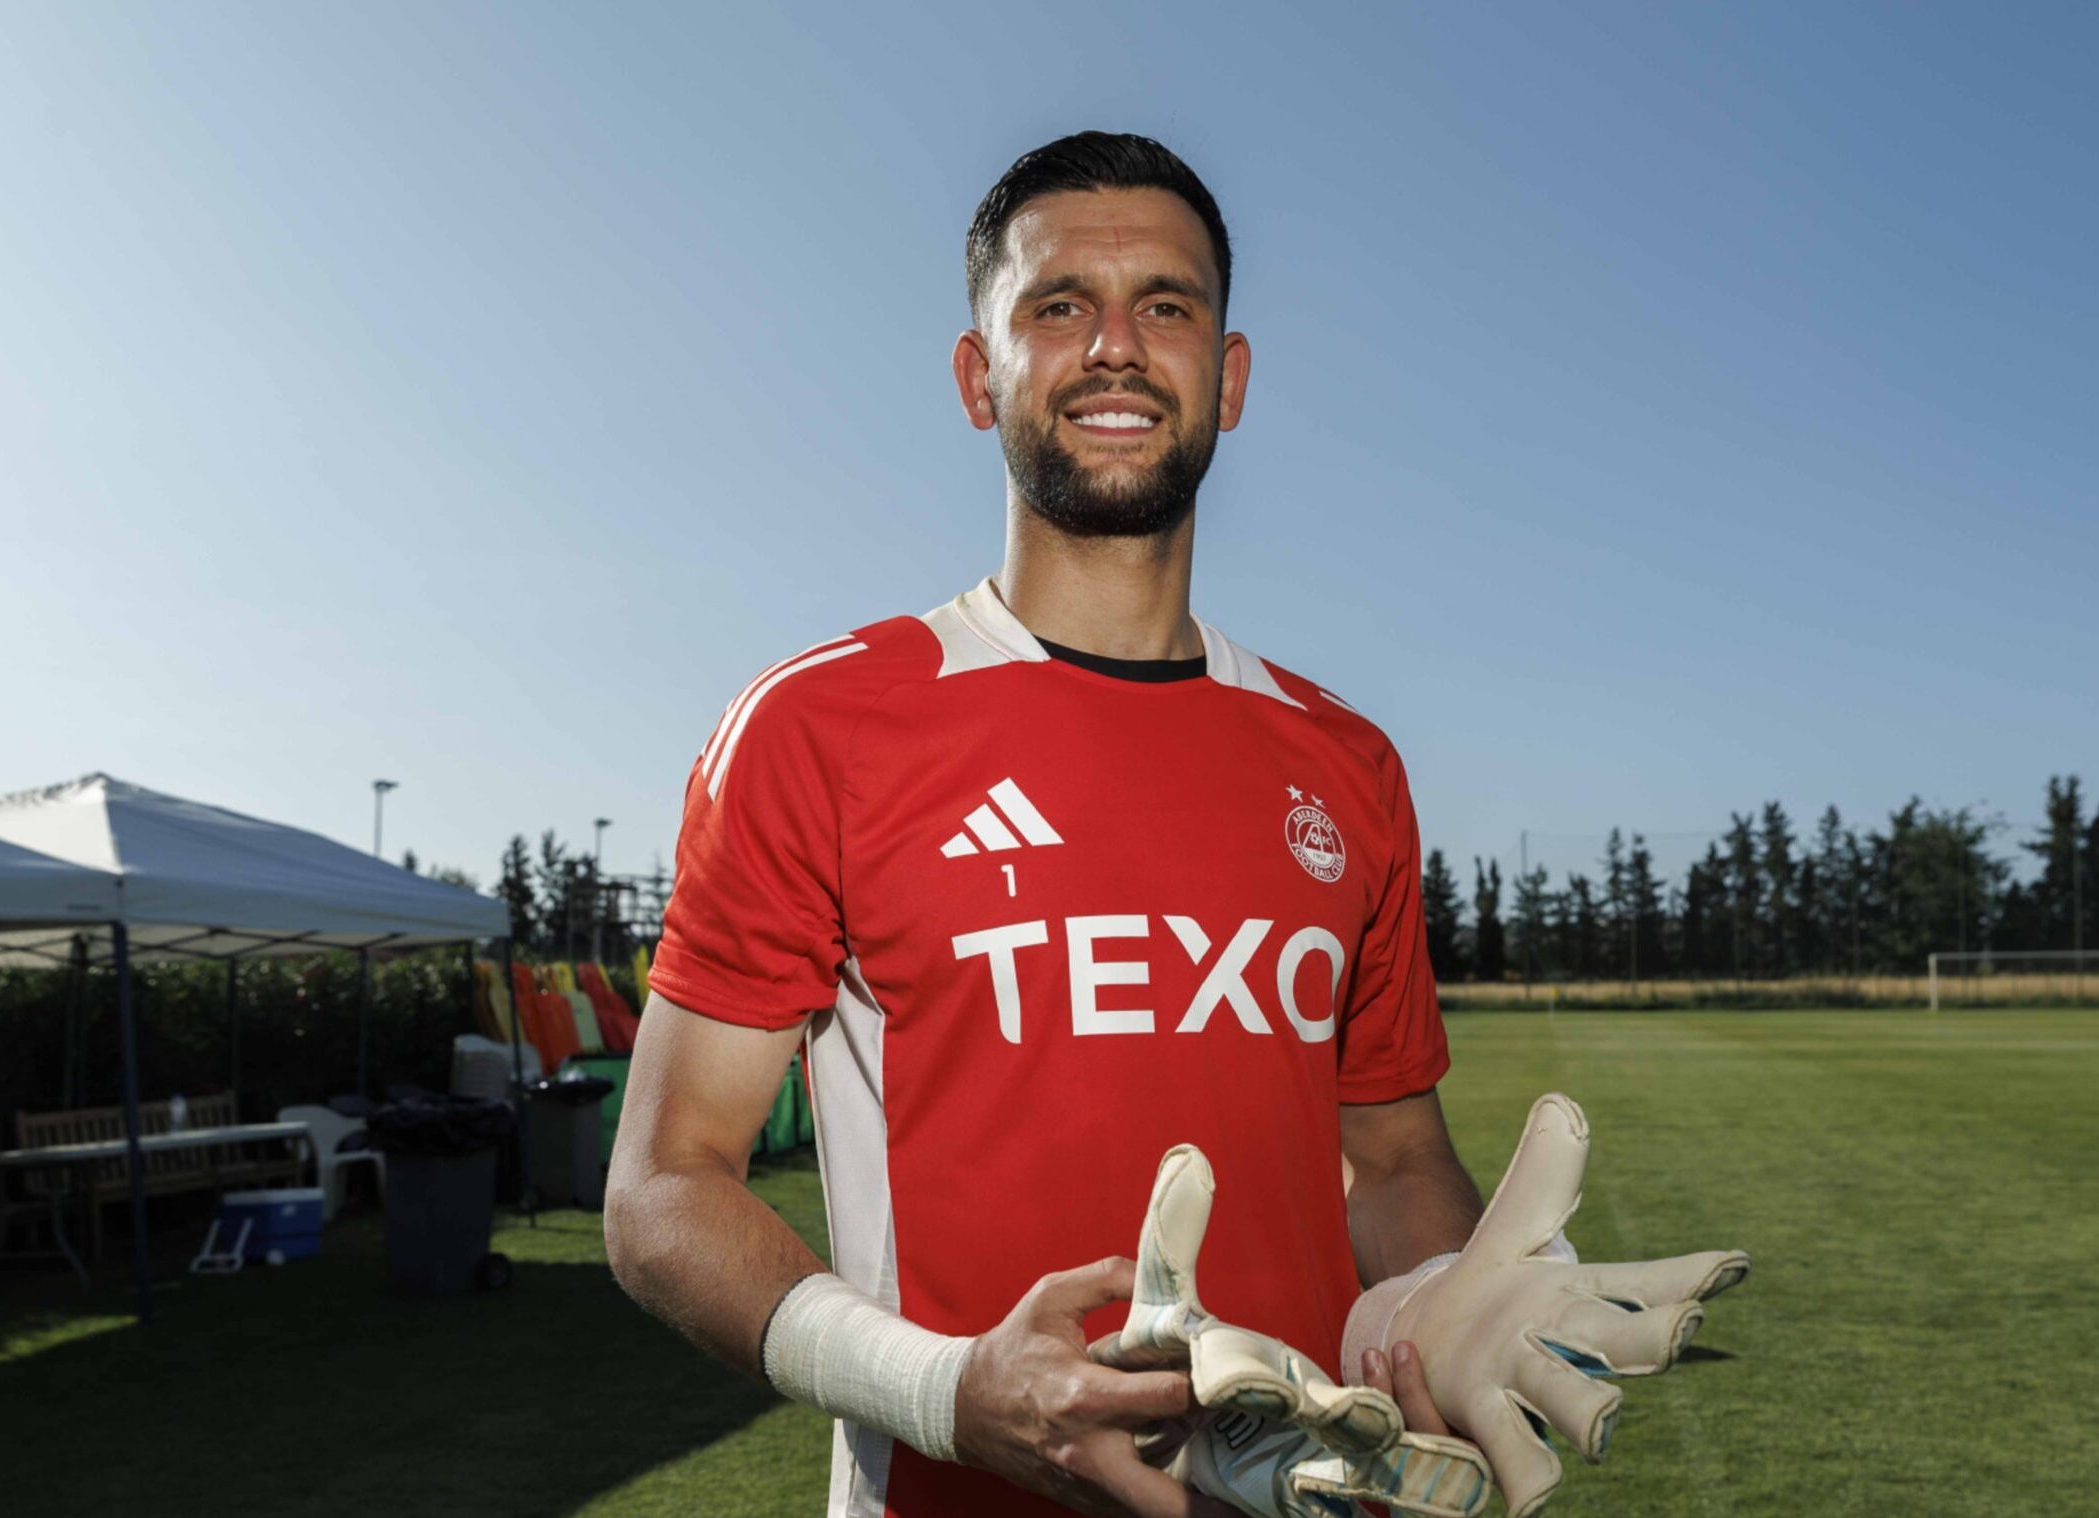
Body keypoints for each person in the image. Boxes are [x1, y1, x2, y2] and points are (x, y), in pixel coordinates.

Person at [605, 132, 1734, 1518]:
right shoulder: (817, 726)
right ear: (979, 377)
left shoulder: (1346, 760)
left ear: (1228, 376)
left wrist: (1440, 1299)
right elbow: (663, 1188)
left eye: (1167, 306)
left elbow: (1389, 1162)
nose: (1115, 348)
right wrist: (944, 1388)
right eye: (1057, 305)